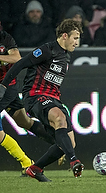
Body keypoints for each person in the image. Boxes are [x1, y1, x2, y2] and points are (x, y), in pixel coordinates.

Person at [0, 19, 84, 182]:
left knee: (68, 143)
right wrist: (3, 86)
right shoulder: (47, 50)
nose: (77, 42)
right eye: (75, 38)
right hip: (35, 96)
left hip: (53, 98)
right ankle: (74, 161)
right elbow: (20, 64)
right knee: (59, 119)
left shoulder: (66, 55)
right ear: (65, 36)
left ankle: (35, 168)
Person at [0, 29, 58, 176]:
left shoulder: (5, 38)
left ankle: (28, 163)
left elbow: (16, 57)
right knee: (23, 121)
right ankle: (59, 144)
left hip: (7, 87)